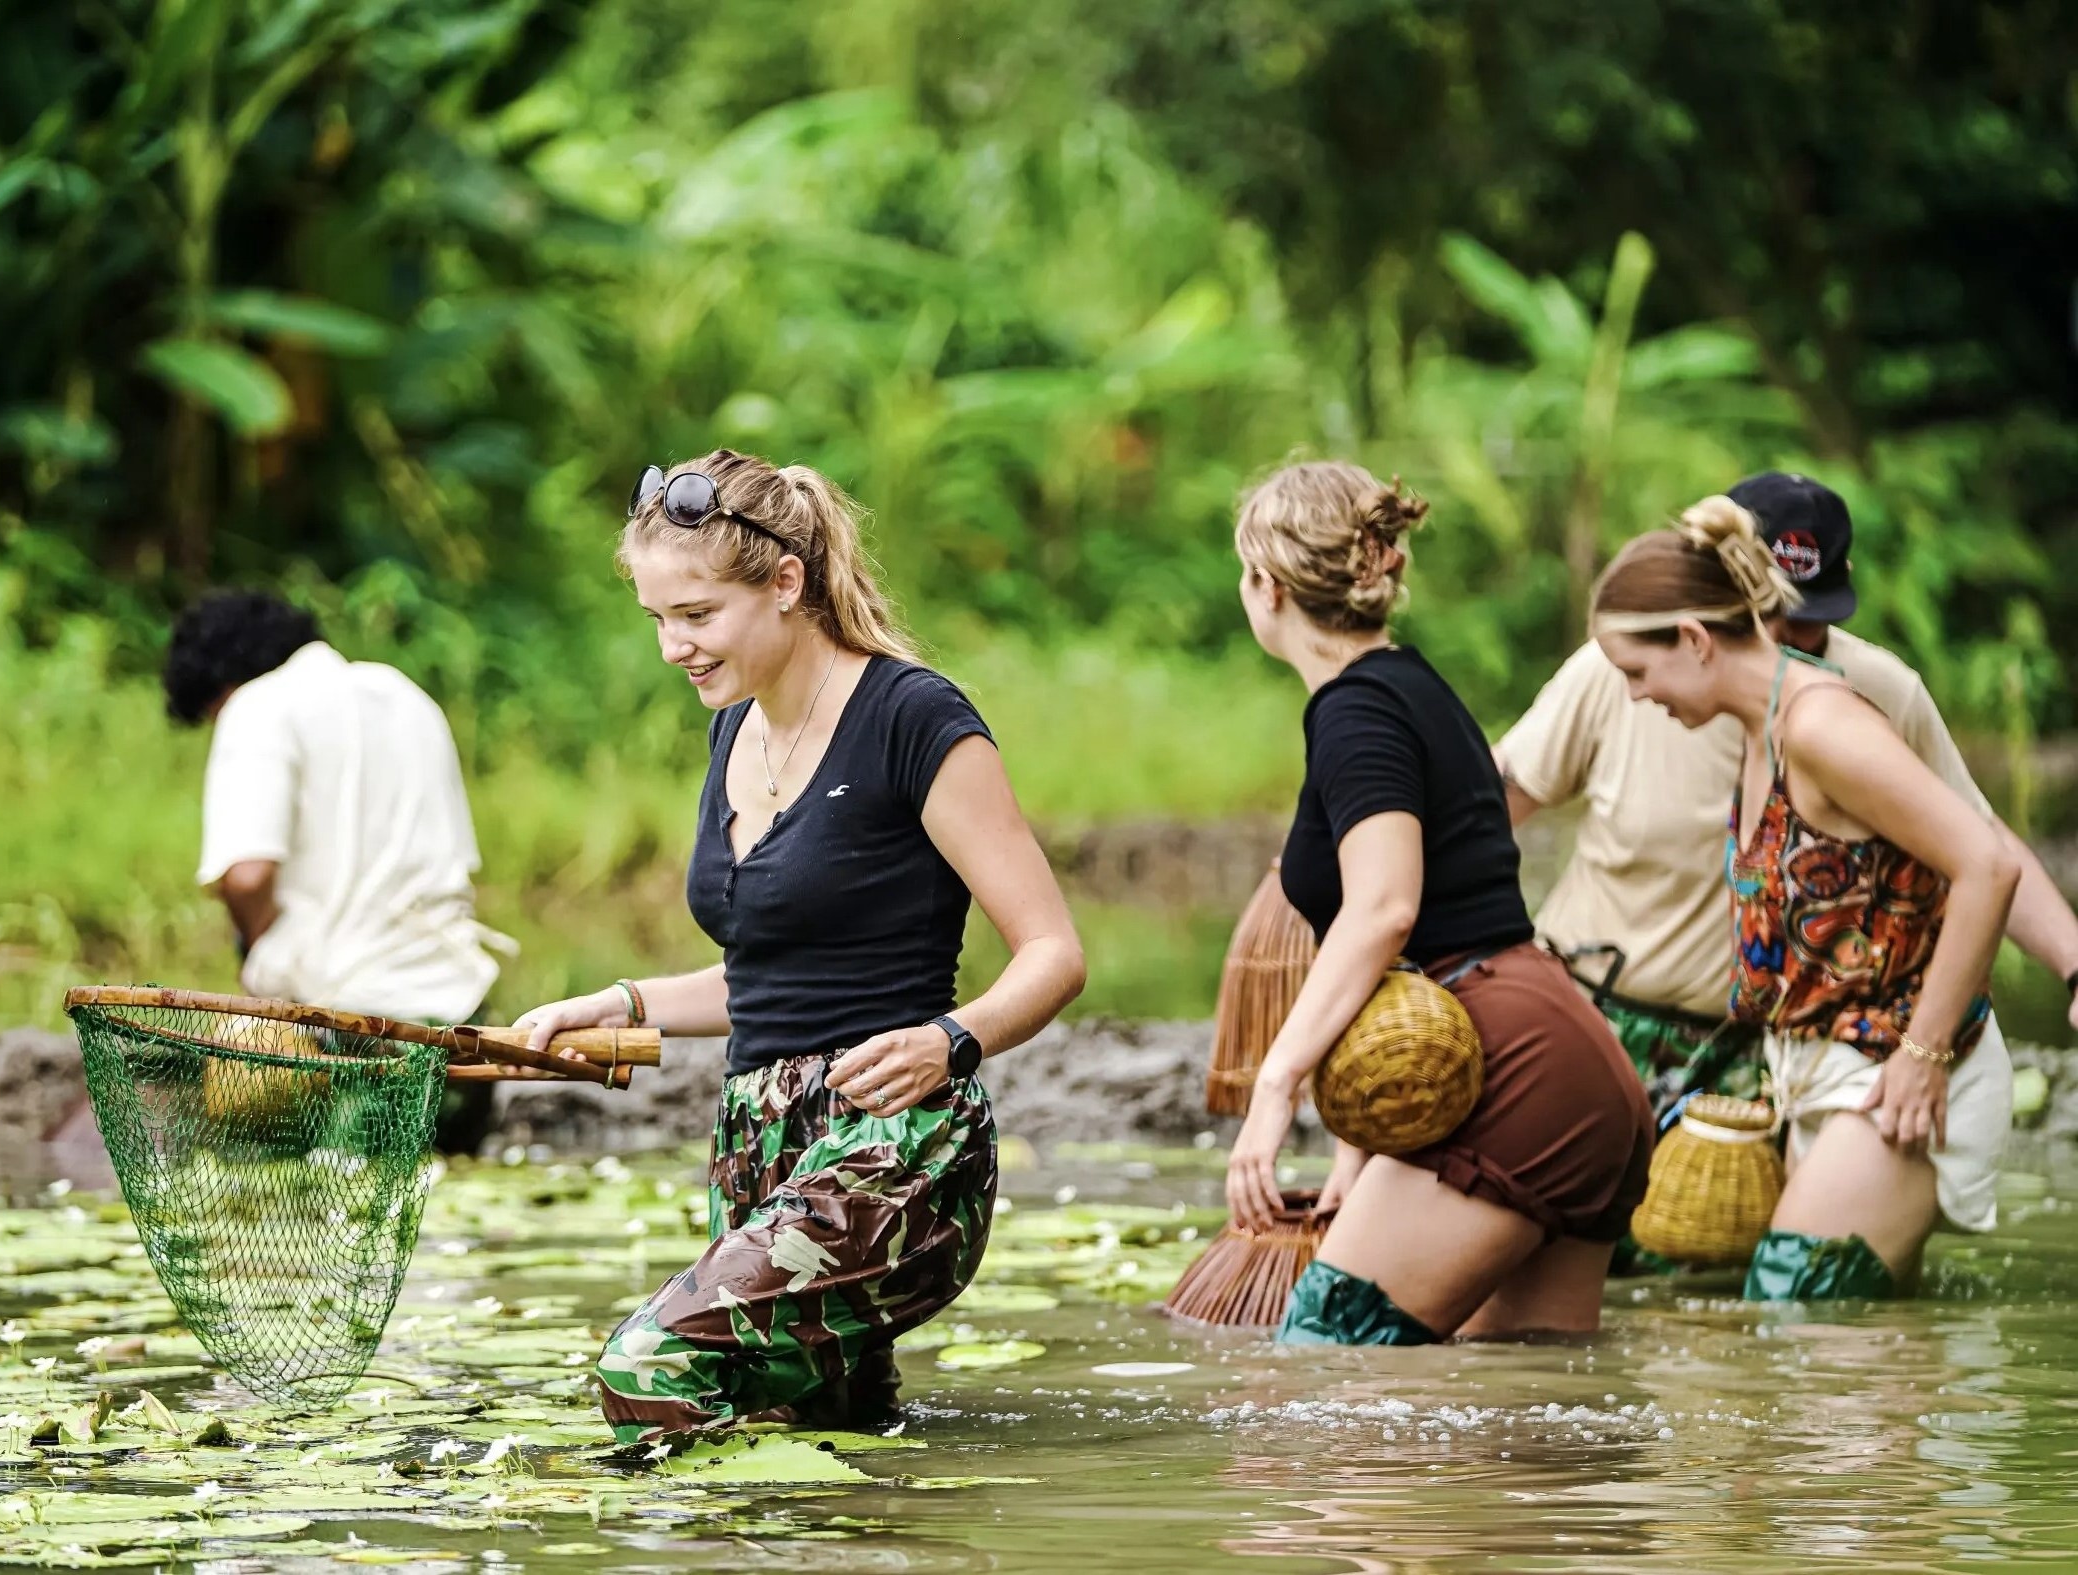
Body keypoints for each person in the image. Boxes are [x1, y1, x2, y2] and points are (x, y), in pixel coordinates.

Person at [514, 449, 1083, 1440]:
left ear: (786, 584)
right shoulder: (731, 729)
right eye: (656, 620)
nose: (670, 649)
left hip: (894, 1140)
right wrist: (621, 1004)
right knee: (819, 1439)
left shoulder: (914, 720)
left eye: (694, 617)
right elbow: (769, 982)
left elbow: (1051, 953)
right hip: (756, 1147)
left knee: (650, 1364)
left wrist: (950, 1038)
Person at [1223, 460, 1653, 1345]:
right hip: (1572, 1064)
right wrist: (1362, 1149)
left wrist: (1276, 1084)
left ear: (1265, 586)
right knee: (1527, 1426)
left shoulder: (1353, 713)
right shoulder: (1409, 686)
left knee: (1326, 1369)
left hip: (1510, 1072)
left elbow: (1385, 910)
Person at [1501, 473, 2078, 1109]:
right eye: (1771, 613)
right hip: (1598, 1011)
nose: (1791, 639)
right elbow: (1499, 804)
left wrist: (2073, 965)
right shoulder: (1630, 670)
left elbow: (1977, 840)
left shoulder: (1869, 694)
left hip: (1757, 1052)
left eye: (1812, 619)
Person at [1589, 498, 2019, 1298]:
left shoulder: (1821, 725)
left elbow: (1989, 865)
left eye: (1635, 672)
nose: (1636, 695)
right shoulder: (1763, 726)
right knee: (1851, 1347)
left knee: (1794, 1313)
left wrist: (1922, 1057)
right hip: (1821, 1069)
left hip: (1901, 1068)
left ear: (1692, 639)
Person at [162, 590, 517, 1153]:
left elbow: (247, 874)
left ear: (224, 688)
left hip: (358, 1042)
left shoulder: (258, 706)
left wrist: (256, 948)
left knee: (330, 1223)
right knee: (447, 1223)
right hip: (460, 1027)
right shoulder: (406, 696)